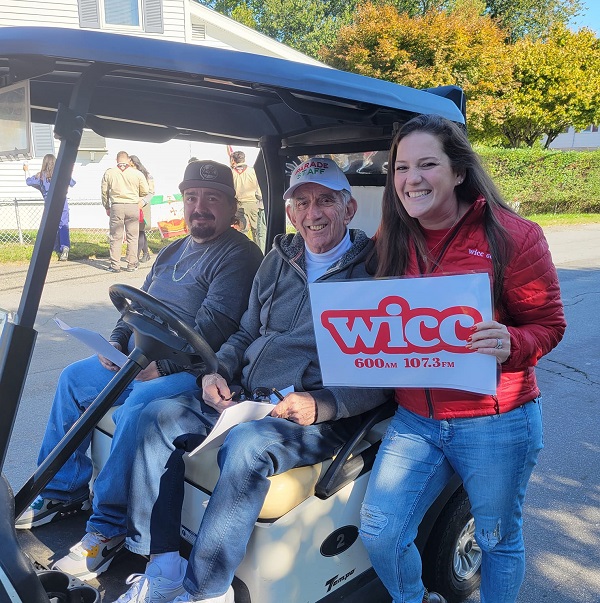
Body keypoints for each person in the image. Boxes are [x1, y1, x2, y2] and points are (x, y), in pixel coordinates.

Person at [109, 157, 391, 603]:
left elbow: (385, 372)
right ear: (291, 211)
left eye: (324, 202)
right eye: (301, 202)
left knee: (246, 448)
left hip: (315, 413)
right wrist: (217, 372)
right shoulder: (280, 261)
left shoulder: (377, 272)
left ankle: (206, 590)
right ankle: (162, 564)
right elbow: (244, 332)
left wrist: (322, 404)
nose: (312, 213)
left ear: (349, 209)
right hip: (249, 396)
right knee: (156, 416)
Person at [17, 161, 263, 575]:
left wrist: (160, 366)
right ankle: (61, 490)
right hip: (137, 358)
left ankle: (108, 525)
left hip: (191, 368)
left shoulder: (238, 255)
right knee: (74, 378)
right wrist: (115, 341)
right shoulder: (172, 249)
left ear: (232, 206)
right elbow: (134, 305)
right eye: (191, 198)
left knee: (140, 405)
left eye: (212, 199)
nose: (199, 207)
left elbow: (214, 326)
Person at [358, 115, 566, 603]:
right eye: (402, 167)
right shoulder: (394, 235)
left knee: (496, 540)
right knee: (381, 533)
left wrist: (512, 342)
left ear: (457, 172)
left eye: (428, 164)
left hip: (497, 421)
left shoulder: (513, 235)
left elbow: (550, 325)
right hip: (415, 419)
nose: (412, 179)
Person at [101, 151, 149, 273]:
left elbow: (104, 192)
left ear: (116, 160)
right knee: (133, 237)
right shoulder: (137, 174)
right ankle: (131, 264)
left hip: (116, 206)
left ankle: (115, 265)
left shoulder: (109, 173)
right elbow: (145, 191)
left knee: (115, 236)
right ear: (128, 160)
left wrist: (107, 206)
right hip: (133, 206)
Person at [24, 154, 75, 261]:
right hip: (62, 203)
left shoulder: (41, 176)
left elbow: (28, 181)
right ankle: (65, 247)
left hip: (50, 204)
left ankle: (55, 247)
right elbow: (72, 183)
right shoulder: (61, 174)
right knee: (63, 225)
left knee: (52, 226)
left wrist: (26, 170)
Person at [229, 150, 266, 251]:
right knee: (257, 231)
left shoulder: (231, 173)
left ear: (233, 160)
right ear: (244, 158)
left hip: (239, 204)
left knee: (242, 230)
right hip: (253, 203)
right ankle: (259, 252)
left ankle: (244, 251)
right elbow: (259, 189)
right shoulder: (253, 171)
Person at [129, 155, 155, 263]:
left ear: (135, 164)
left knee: (140, 230)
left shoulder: (147, 175)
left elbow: (151, 192)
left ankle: (137, 255)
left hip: (143, 204)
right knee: (140, 231)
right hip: (134, 203)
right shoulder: (130, 175)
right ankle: (146, 254)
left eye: (131, 165)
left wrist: (143, 202)